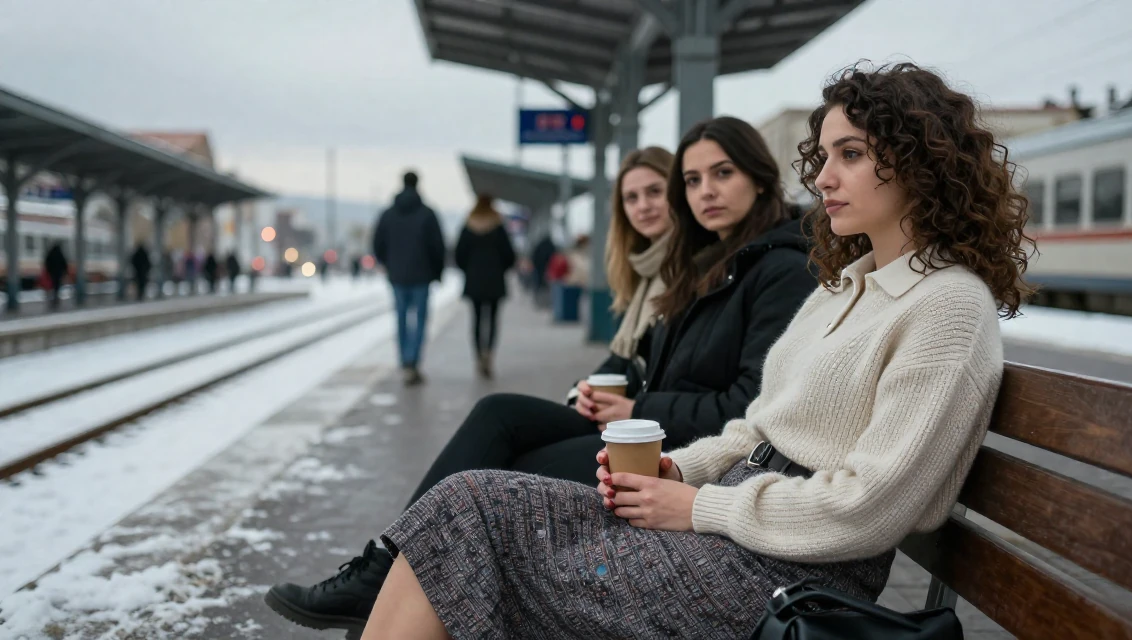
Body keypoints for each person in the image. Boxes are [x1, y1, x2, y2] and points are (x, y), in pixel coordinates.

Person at [359, 63, 1034, 639]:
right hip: (738, 529)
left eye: (850, 154)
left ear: (922, 162)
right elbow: (757, 429)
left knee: (474, 524)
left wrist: (698, 508)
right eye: (824, 156)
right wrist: (677, 471)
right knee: (463, 502)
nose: (824, 177)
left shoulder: (946, 306)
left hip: (788, 572)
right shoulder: (849, 287)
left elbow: (871, 507)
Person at [265, 138, 816, 637]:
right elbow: (651, 359)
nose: (701, 193)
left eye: (720, 175)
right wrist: (599, 390)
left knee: (488, 481)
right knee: (497, 419)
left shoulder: (761, 268)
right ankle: (386, 571)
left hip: (674, 447)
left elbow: (745, 401)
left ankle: (388, 576)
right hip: (650, 425)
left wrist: (634, 403)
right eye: (691, 181)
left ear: (760, 178)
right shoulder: (710, 263)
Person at [372, 171, 446, 385]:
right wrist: (437, 272)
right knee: (420, 320)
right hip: (422, 275)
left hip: (397, 275)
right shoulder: (428, 214)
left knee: (401, 319)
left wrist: (388, 264)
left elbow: (378, 243)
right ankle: (414, 361)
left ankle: (404, 359)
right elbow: (437, 247)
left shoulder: (388, 214)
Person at [454, 194, 516, 378]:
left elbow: (459, 254)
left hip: (474, 280)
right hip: (495, 280)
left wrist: (469, 269)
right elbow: (510, 255)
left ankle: (478, 355)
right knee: (493, 320)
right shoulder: (498, 227)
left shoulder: (468, 225)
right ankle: (489, 353)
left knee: (477, 319)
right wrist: (500, 268)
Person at [43, 242, 68, 310]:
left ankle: (51, 300)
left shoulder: (50, 253)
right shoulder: (60, 254)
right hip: (58, 274)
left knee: (50, 287)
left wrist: (49, 271)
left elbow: (47, 262)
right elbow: (64, 264)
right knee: (57, 287)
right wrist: (64, 272)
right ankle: (56, 299)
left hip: (51, 273)